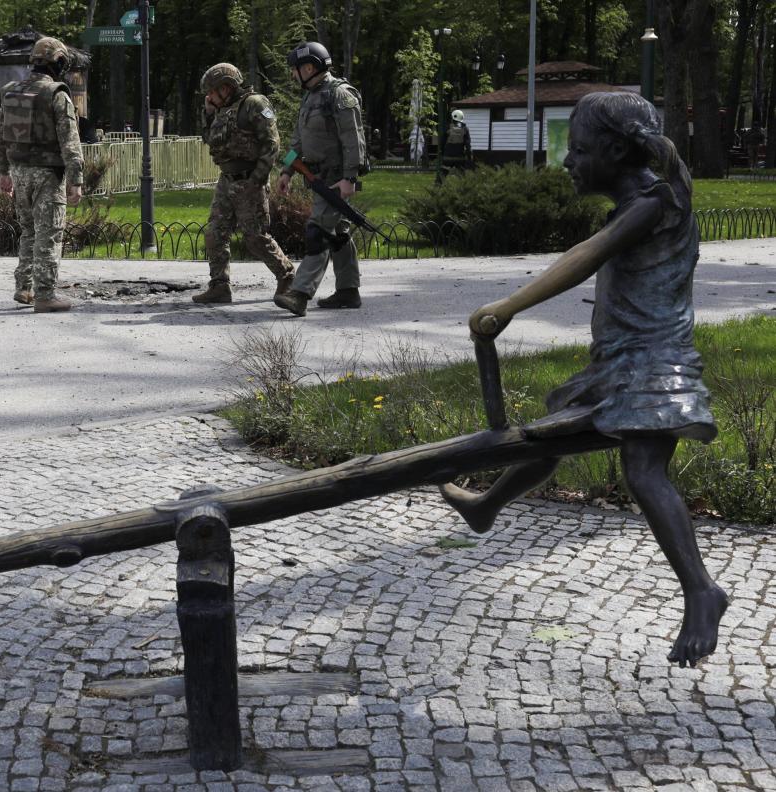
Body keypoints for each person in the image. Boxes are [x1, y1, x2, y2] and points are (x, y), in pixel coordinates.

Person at [439, 92, 729, 669]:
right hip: (622, 361)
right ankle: (487, 506)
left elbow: (584, 257)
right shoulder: (644, 200)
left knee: (644, 470)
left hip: (653, 364)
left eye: (578, 150)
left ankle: (702, 590)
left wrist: (508, 305)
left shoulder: (652, 202)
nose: (567, 162)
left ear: (616, 150)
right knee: (549, 435)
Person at [274, 41, 368, 316]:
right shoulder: (310, 96)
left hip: (337, 179)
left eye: (294, 70)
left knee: (318, 232)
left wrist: (350, 178)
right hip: (317, 178)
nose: (292, 75)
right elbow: (298, 142)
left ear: (309, 67)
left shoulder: (339, 94)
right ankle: (348, 292)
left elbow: (354, 139)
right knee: (338, 235)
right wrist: (287, 171)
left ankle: (299, 294)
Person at [0, 36, 84, 312]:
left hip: (20, 172)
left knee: (29, 231)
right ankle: (45, 295)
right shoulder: (56, 93)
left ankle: (24, 287)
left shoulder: (11, 91)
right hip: (48, 174)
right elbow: (70, 141)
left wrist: (3, 172)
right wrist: (76, 180)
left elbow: (0, 137)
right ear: (57, 62)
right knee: (50, 234)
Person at [193, 62, 294, 305]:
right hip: (226, 180)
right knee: (215, 234)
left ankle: (287, 276)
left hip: (250, 180)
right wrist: (207, 114)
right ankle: (219, 286)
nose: (209, 96)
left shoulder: (254, 105)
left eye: (212, 91)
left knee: (255, 237)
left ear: (225, 87)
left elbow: (272, 144)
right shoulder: (222, 110)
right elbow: (211, 140)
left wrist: (257, 180)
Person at [439, 108, 473, 180]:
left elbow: (442, 142)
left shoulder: (448, 127)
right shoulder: (465, 129)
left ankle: (436, 189)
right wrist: (469, 157)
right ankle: (462, 190)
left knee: (442, 175)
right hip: (460, 157)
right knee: (461, 177)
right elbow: (468, 145)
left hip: (447, 157)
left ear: (453, 117)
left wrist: (442, 152)